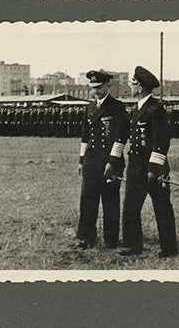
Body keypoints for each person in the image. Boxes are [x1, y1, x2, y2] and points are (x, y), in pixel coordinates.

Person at [119, 66, 177, 257]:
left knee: (161, 206)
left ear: (141, 86)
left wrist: (154, 168)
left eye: (133, 83)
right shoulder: (137, 109)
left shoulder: (156, 109)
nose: (130, 86)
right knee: (131, 205)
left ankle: (169, 248)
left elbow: (161, 141)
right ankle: (132, 245)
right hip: (136, 166)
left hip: (153, 167)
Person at [75, 70, 129, 249]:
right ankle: (86, 237)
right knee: (87, 200)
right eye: (92, 88)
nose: (95, 91)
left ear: (108, 86)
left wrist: (113, 162)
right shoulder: (90, 107)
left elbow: (121, 136)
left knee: (110, 201)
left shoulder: (117, 107)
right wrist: (82, 160)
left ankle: (111, 239)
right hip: (91, 160)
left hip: (109, 161)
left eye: (99, 87)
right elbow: (85, 136)